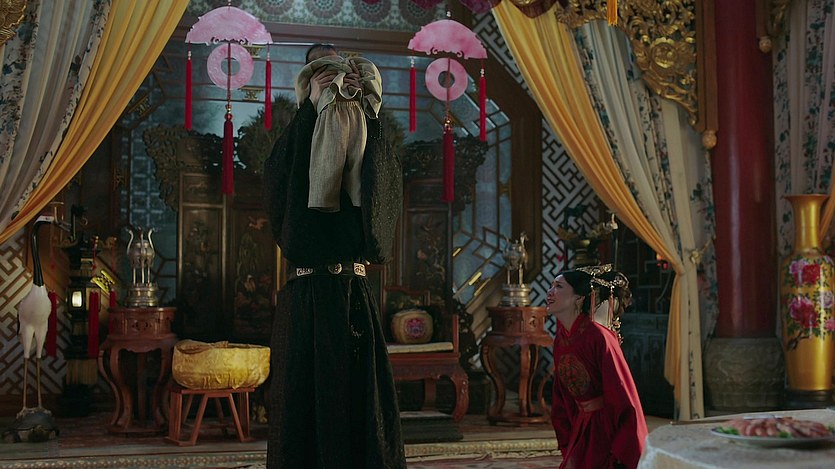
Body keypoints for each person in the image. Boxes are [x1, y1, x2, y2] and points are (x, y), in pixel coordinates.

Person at [262, 43, 404, 469]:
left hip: (352, 295)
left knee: (358, 406)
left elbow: (383, 201)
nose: (336, 82)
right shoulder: (297, 135)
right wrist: (310, 108)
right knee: (303, 408)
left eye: (342, 73)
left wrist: (369, 112)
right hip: (307, 298)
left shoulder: (366, 141)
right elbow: (282, 192)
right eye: (325, 74)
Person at [546, 264, 648, 469]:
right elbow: (562, 394)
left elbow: (621, 391)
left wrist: (623, 445)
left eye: (559, 286)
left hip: (605, 427)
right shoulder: (561, 338)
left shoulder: (598, 336)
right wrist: (566, 430)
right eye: (551, 285)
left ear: (578, 298)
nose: (550, 292)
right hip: (581, 424)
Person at [294, 43, 383, 213]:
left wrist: (362, 97)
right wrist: (312, 100)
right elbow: (293, 148)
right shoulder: (304, 104)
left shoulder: (355, 95)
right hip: (309, 205)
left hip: (354, 207)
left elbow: (376, 144)